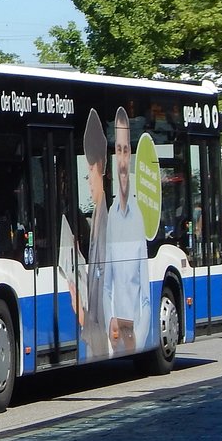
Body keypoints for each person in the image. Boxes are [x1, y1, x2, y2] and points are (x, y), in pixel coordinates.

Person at [103, 107, 151, 353]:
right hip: (115, 334)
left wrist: (136, 340)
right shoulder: (111, 216)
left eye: (125, 150)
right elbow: (108, 284)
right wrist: (111, 318)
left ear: (130, 154)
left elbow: (145, 292)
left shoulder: (139, 217)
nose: (122, 160)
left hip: (133, 335)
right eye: (117, 151)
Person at [73, 109, 111, 360]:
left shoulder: (105, 221)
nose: (88, 181)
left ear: (101, 167)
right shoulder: (98, 218)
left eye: (90, 173)